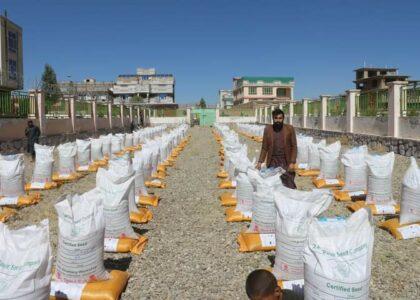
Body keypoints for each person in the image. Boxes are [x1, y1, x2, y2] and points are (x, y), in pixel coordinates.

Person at [256, 108, 297, 189]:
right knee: (273, 184)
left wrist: (292, 162)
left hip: (286, 161)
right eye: (276, 118)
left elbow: (294, 146)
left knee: (288, 184)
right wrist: (260, 161)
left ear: (283, 118)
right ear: (273, 118)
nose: (278, 120)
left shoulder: (289, 129)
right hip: (273, 161)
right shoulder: (268, 129)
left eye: (280, 118)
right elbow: (264, 147)